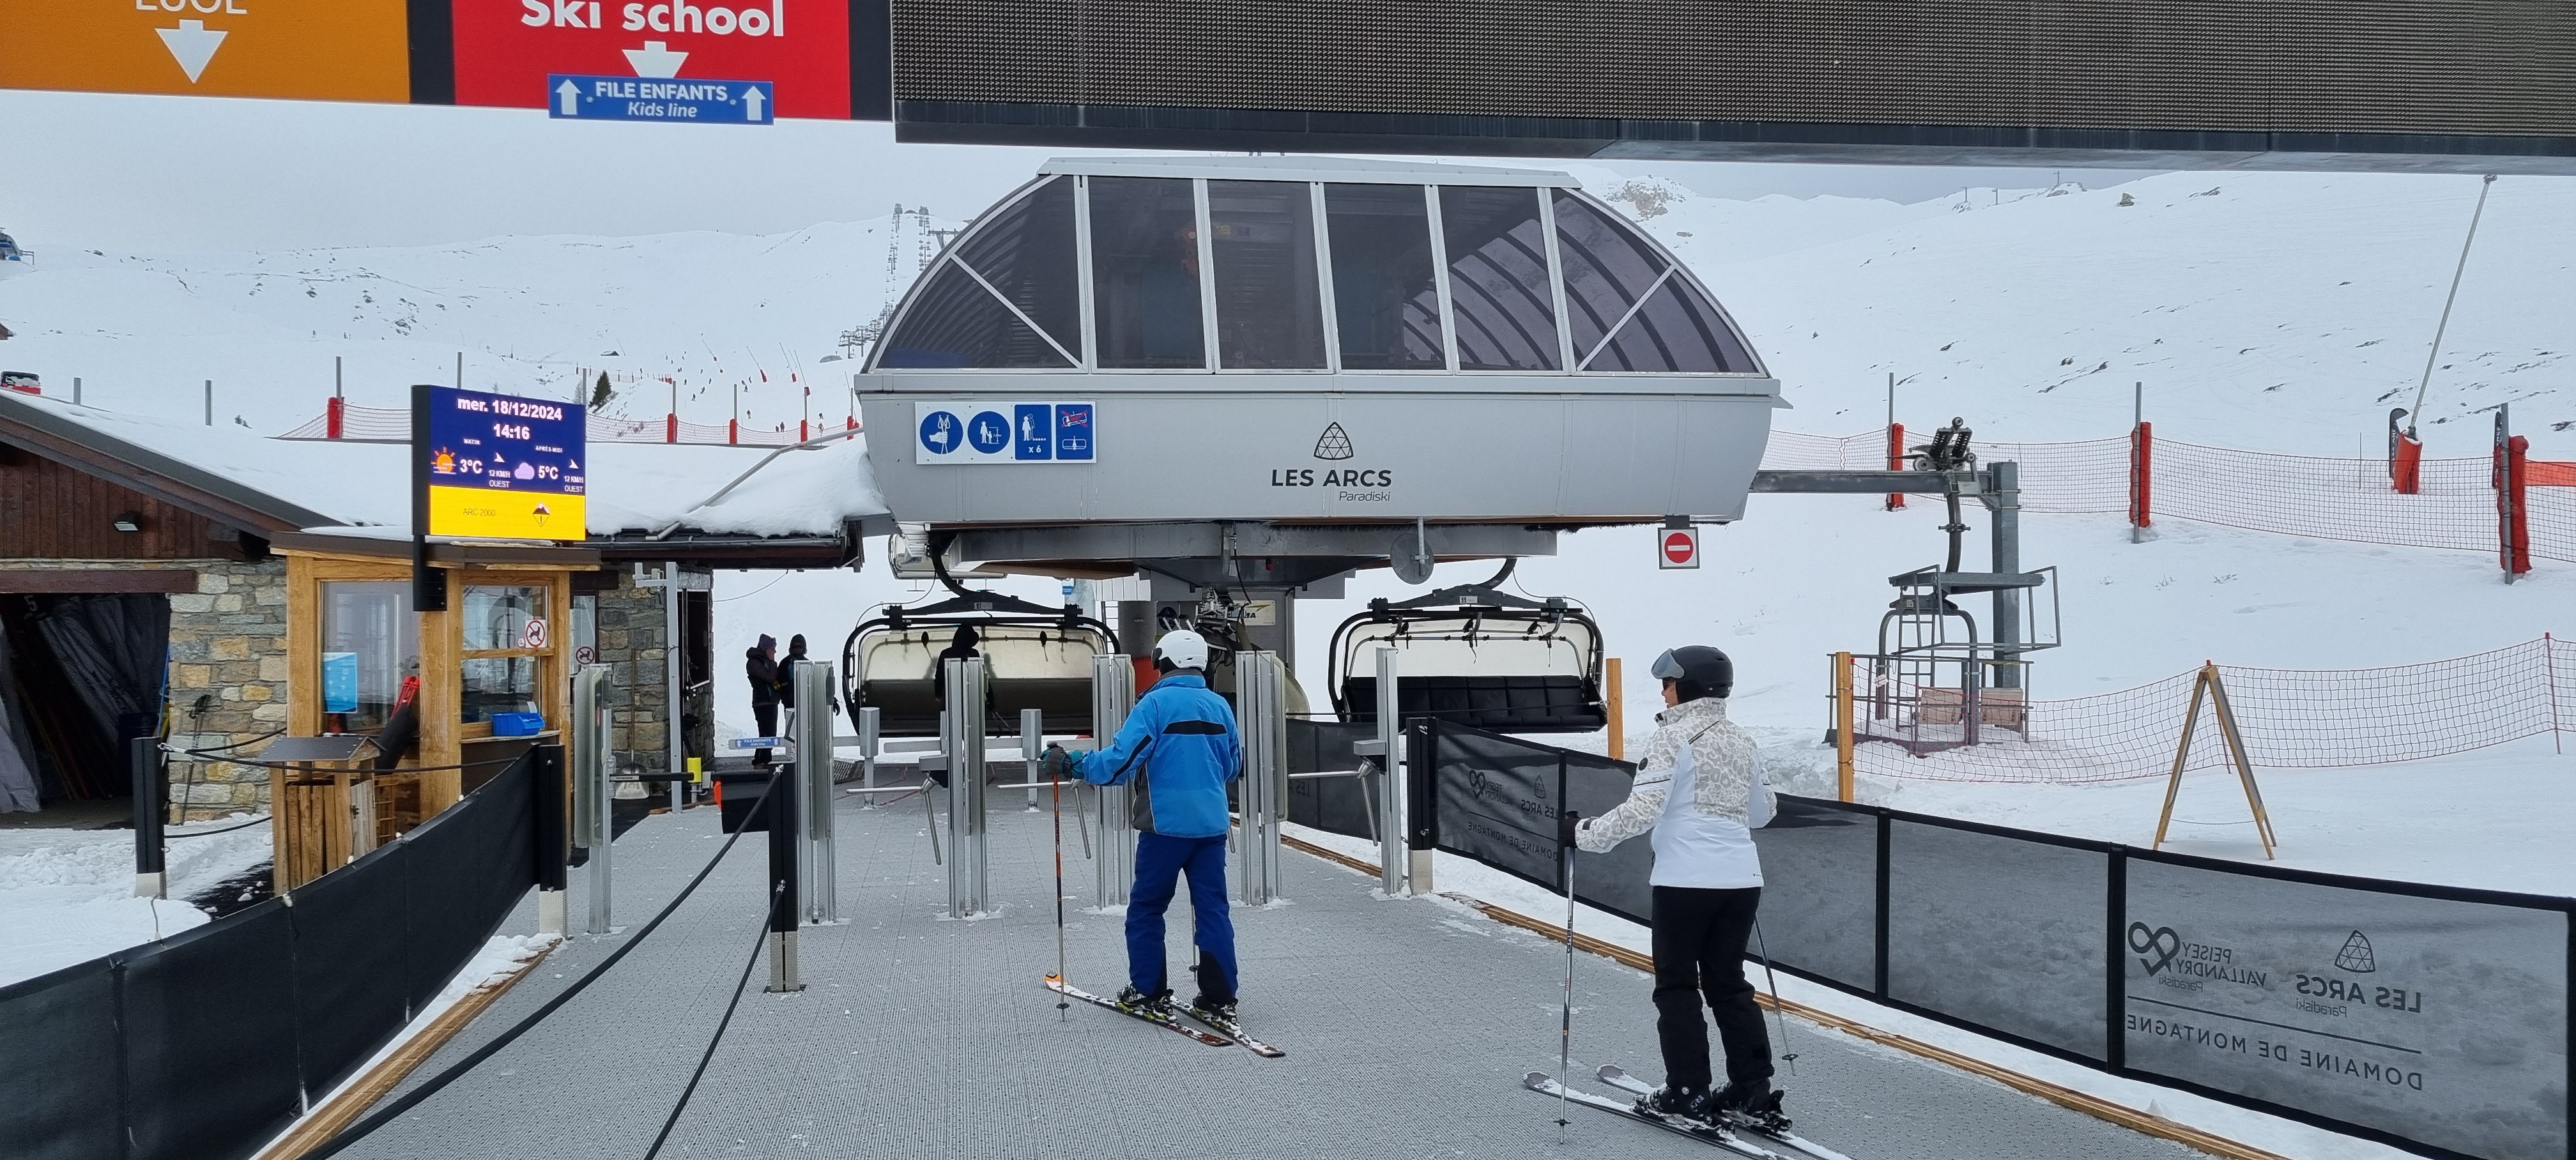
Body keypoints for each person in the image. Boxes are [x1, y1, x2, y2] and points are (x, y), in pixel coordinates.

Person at [1569, 645, 1777, 1122]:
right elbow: (1763, 813)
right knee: (1728, 983)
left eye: (1668, 683)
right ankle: (1751, 1088)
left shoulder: (1673, 737)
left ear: (1688, 686)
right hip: (1742, 881)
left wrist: (1583, 834)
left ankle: (1687, 1090)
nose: (1663, 692)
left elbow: (1643, 811)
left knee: (1678, 985)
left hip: (1685, 881)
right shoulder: (1743, 740)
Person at [1042, 630, 1243, 1020]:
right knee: (1213, 910)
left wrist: (1073, 764)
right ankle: (1219, 999)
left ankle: (1149, 993)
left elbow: (1120, 761)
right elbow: (1233, 766)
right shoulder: (1220, 706)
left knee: (1147, 909)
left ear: (1163, 662)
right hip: (1212, 828)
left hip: (1164, 828)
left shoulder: (1154, 705)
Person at [746, 634, 780, 767]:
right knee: (766, 733)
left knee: (770, 733)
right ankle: (760, 760)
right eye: (772, 649)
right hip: (762, 702)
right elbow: (770, 678)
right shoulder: (754, 663)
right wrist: (772, 662)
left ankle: (765, 760)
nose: (774, 652)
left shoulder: (763, 661)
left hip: (771, 702)